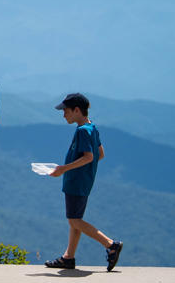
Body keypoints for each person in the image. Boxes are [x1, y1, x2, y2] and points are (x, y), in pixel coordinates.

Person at [45, 93, 123, 271]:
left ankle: (111, 245)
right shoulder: (91, 127)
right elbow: (99, 155)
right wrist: (85, 170)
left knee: (74, 220)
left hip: (76, 182)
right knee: (75, 219)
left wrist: (63, 169)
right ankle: (68, 257)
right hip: (83, 181)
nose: (64, 114)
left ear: (77, 110)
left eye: (65, 111)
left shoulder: (82, 131)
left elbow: (89, 157)